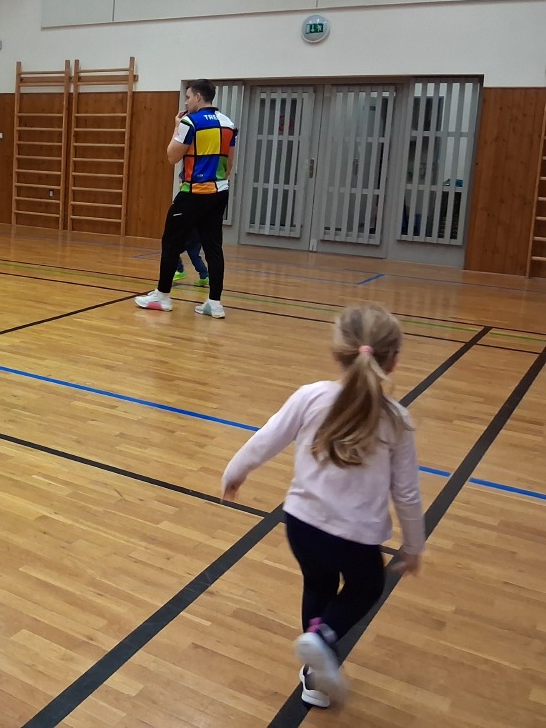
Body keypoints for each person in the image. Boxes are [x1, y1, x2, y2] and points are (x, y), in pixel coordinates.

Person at [221, 304, 425, 709]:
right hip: (355, 539)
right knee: (367, 587)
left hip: (302, 526)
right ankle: (324, 638)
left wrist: (235, 472)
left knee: (318, 584)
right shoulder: (396, 420)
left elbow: (266, 439)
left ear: (336, 353)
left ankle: (314, 675)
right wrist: (414, 545)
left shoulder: (309, 396)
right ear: (393, 361)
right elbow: (406, 493)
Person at [134, 79, 237, 318]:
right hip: (219, 192)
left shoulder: (190, 122)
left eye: (188, 97)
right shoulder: (228, 124)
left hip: (193, 193)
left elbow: (172, 156)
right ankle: (214, 302)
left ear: (199, 97)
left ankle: (162, 296)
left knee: (171, 243)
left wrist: (176, 127)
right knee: (213, 247)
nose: (186, 102)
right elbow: (230, 164)